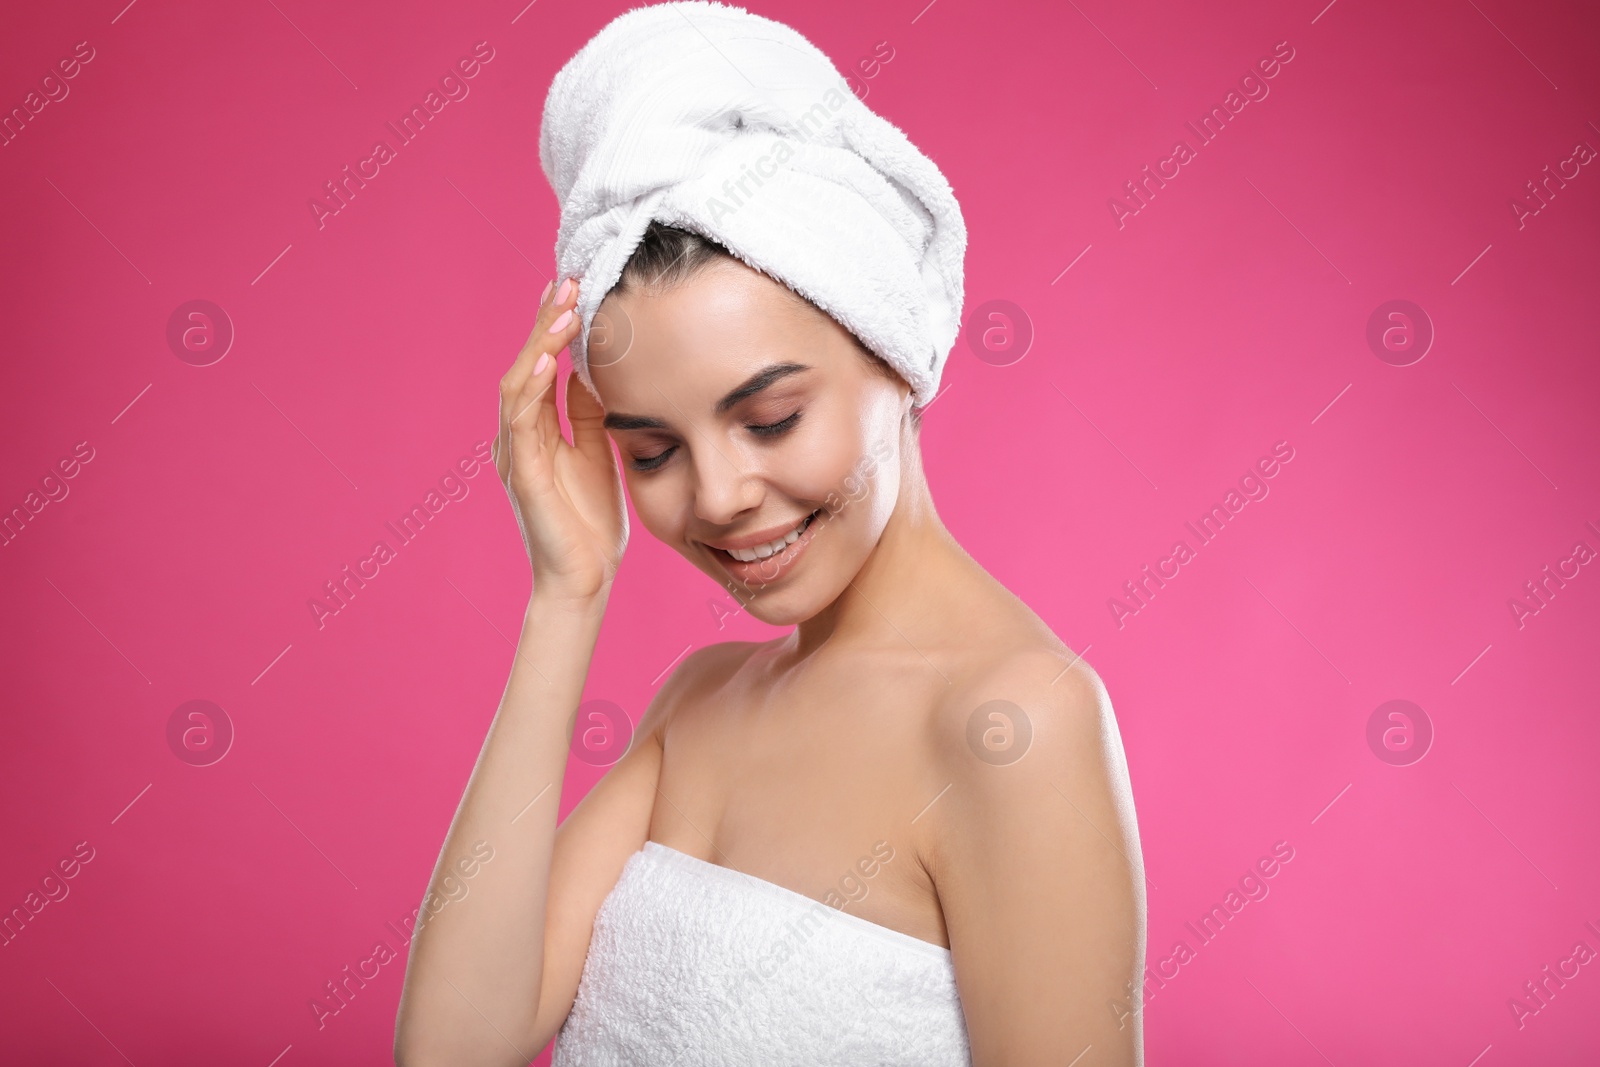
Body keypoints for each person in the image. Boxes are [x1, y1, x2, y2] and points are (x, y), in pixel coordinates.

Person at [394, 5, 1144, 1066]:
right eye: (652, 450)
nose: (721, 494)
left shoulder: (1015, 721)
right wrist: (566, 594)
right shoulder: (699, 700)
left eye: (771, 418)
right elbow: (451, 1049)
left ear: (892, 351)